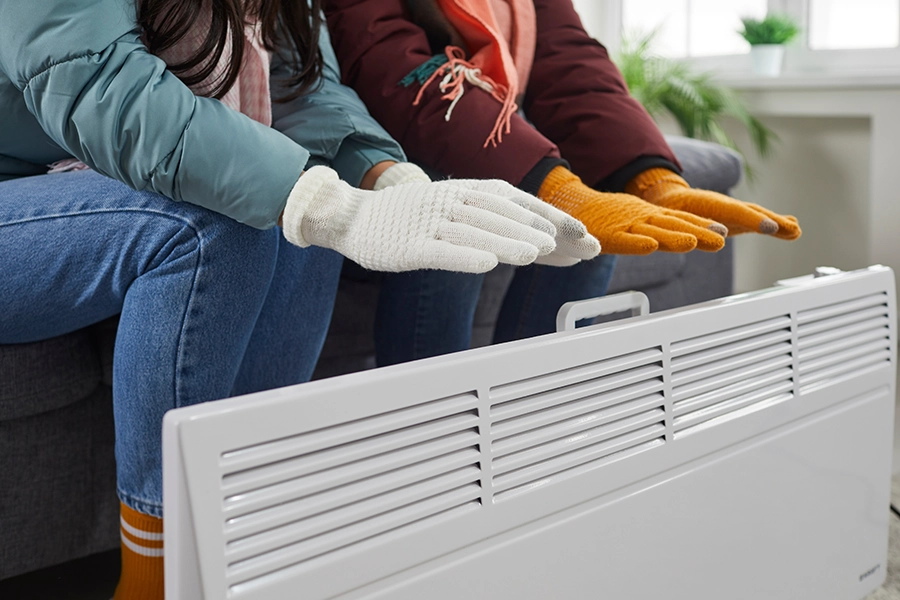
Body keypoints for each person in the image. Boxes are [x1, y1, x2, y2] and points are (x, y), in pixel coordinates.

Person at [0, 1, 587, 597]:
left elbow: (304, 89)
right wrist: (325, 206)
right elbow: (100, 83)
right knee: (220, 218)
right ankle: (155, 578)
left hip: (78, 186)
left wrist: (389, 183)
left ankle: (247, 539)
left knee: (299, 216)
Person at [322, 0, 801, 365]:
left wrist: (651, 179)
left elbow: (566, 57)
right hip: (400, 129)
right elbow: (386, 62)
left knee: (598, 221)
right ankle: (429, 436)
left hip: (489, 113)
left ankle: (536, 420)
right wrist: (549, 185)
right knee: (458, 222)